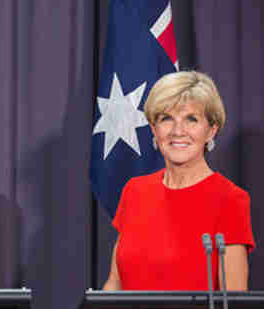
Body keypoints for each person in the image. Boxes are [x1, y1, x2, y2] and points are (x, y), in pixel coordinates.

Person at [103, 71, 255, 291]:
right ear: (154, 129)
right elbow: (114, 284)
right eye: (166, 119)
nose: (178, 131)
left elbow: (232, 299)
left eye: (191, 119)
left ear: (211, 130)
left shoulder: (230, 199)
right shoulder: (135, 191)